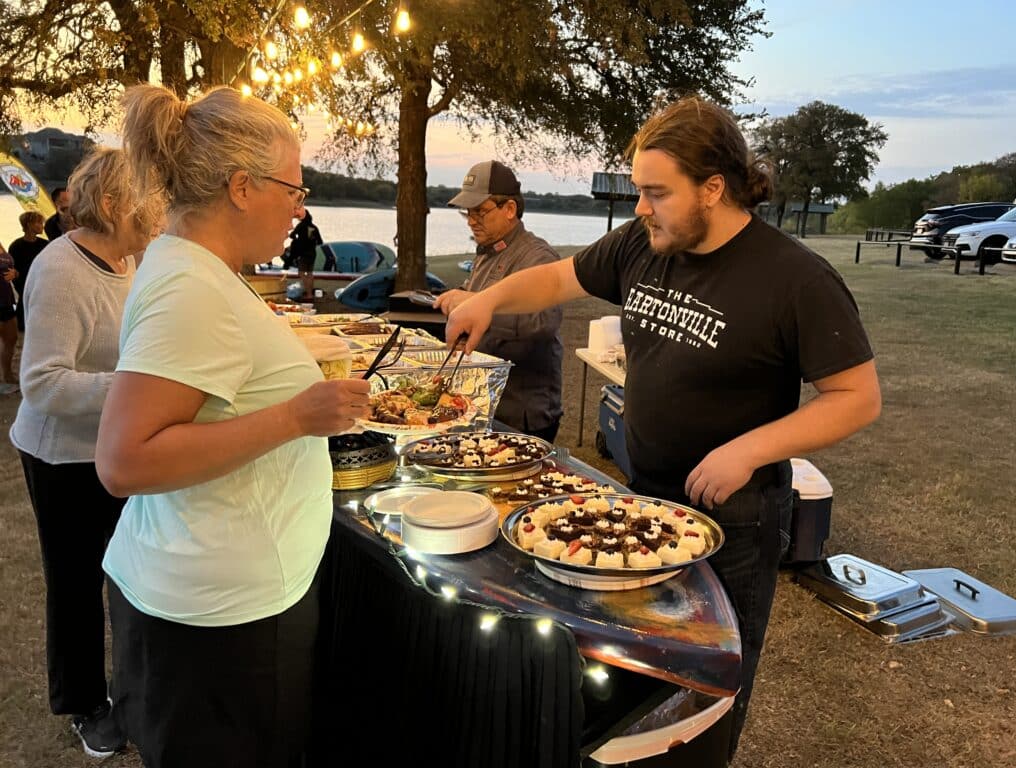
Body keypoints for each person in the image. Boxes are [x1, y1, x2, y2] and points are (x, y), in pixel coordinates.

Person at [445, 97, 882, 760]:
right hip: (643, 496)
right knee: (635, 681)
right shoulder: (642, 246)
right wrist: (489, 297)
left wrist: (749, 449)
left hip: (734, 517)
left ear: (714, 188)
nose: (642, 207)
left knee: (705, 692)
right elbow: (560, 277)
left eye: (656, 193)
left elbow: (856, 397)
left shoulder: (794, 277)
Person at [95, 84, 370, 768]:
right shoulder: (190, 288)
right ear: (242, 186)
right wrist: (295, 416)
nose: (298, 209)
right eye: (293, 190)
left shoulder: (200, 270)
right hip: (217, 623)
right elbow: (124, 461)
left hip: (213, 603)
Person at [9, 146, 164, 757]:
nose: (157, 211)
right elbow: (42, 383)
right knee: (74, 581)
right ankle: (82, 703)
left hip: (116, 443)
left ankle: (130, 686)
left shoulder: (133, 263)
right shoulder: (59, 269)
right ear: (111, 204)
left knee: (128, 569)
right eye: (148, 200)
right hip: (60, 455)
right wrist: (133, 390)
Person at [434, 161, 563, 441]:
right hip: (483, 403)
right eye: (468, 212)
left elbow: (542, 323)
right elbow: (474, 301)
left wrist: (478, 303)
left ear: (510, 209)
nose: (471, 220)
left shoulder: (538, 257)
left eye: (480, 211)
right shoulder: (488, 251)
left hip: (521, 411)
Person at [8, 210, 49, 331]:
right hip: (25, 286)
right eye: (39, 223)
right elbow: (13, 270)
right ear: (29, 225)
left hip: (43, 284)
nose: (42, 226)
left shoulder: (45, 244)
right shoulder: (16, 246)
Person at [288, 208, 322, 300]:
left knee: (302, 273)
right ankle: (310, 293)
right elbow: (320, 242)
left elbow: (291, 235)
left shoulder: (301, 226)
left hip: (303, 253)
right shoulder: (314, 227)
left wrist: (298, 240)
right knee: (310, 273)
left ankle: (309, 294)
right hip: (312, 253)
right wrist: (311, 241)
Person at [0, 242, 16, 392]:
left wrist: (14, 274)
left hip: (6, 299)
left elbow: (11, 269)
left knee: (11, 338)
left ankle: (7, 373)